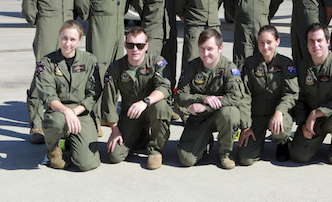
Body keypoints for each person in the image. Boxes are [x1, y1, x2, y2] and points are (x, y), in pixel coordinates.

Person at [22, 0, 79, 144]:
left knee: (66, 73)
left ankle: (61, 119)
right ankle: (36, 124)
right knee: (42, 72)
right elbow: (28, 10)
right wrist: (42, 24)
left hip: (68, 33)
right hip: (47, 30)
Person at [75, 0, 130, 134]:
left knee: (115, 73)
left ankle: (109, 115)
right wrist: (93, 19)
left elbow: (124, 6)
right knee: (99, 72)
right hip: (100, 27)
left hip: (117, 29)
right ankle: (94, 118)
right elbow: (82, 4)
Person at [102, 27, 173, 170]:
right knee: (115, 155)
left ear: (146, 46)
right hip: (130, 114)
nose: (135, 49)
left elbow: (165, 89)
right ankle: (141, 137)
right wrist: (115, 130)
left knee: (161, 106)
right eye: (130, 45)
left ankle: (155, 150)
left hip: (151, 108)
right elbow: (109, 101)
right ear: (125, 46)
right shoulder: (116, 68)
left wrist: (145, 102)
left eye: (139, 46)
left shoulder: (156, 63)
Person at [35, 20, 101, 171]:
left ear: (79, 40)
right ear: (59, 37)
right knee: (56, 122)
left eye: (72, 39)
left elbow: (94, 93)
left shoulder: (89, 60)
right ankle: (53, 149)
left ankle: (68, 142)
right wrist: (66, 111)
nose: (67, 43)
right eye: (64, 38)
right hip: (58, 111)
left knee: (86, 164)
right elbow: (48, 95)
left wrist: (74, 112)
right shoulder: (47, 62)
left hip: (81, 113)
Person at [290, 23, 332, 165]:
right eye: (311, 41)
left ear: (327, 42)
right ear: (307, 44)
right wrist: (303, 123)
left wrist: (317, 112)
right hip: (312, 120)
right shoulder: (302, 67)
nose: (316, 45)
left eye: (319, 40)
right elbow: (299, 99)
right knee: (299, 156)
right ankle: (312, 139)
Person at [175, 28, 243, 169]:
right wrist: (203, 99)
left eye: (210, 49)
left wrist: (207, 106)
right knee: (186, 160)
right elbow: (180, 95)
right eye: (202, 49)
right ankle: (205, 140)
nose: (205, 54)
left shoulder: (229, 69)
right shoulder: (191, 67)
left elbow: (236, 97)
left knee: (231, 113)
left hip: (219, 116)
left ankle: (225, 152)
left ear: (220, 48)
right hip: (197, 118)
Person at [237, 25, 299, 165]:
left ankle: (281, 143)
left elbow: (291, 93)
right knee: (246, 159)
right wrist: (246, 125)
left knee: (280, 130)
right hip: (257, 116)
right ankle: (257, 140)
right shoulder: (250, 63)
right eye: (261, 42)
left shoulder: (286, 63)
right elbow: (244, 95)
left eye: (269, 42)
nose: (265, 46)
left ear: (277, 41)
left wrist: (279, 112)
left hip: (277, 114)